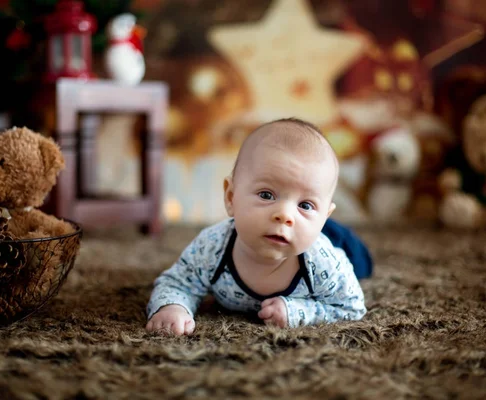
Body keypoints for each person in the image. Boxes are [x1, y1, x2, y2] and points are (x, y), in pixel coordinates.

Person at [146, 118, 372, 335]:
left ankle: (332, 229)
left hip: (331, 238)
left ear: (323, 216)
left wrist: (298, 311)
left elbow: (351, 308)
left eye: (305, 204)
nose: (284, 214)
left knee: (362, 263)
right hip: (303, 230)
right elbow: (178, 283)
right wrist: (172, 307)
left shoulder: (324, 262)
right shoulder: (212, 246)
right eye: (267, 195)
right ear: (231, 197)